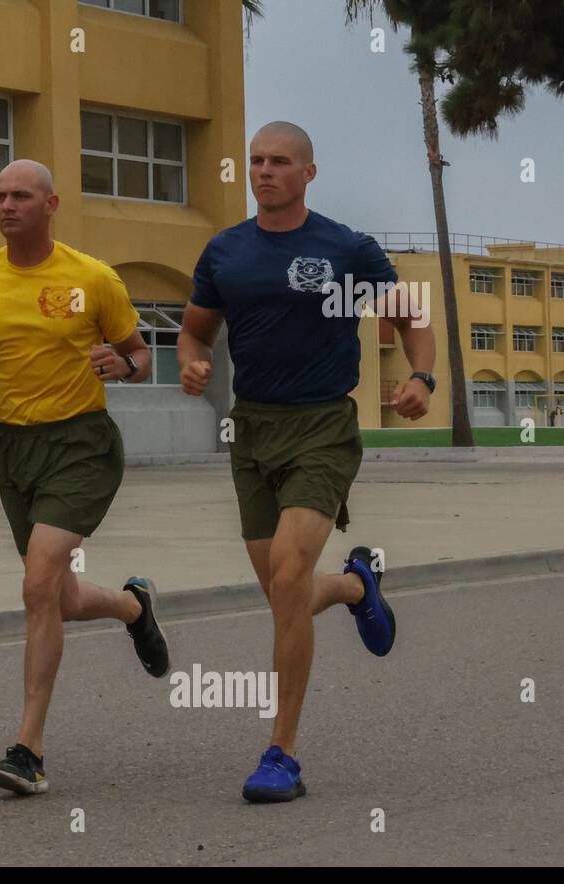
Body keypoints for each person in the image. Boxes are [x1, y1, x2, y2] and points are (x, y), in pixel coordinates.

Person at [177, 122, 436, 802]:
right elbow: (194, 328)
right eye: (257, 161)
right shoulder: (226, 251)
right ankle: (355, 586)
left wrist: (423, 377)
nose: (265, 171)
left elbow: (409, 316)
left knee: (289, 575)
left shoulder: (344, 248)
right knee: (283, 591)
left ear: (309, 173)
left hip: (323, 424)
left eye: (280, 161)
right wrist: (192, 362)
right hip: (252, 429)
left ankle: (280, 752)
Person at [0, 159, 170, 796]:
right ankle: (133, 606)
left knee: (38, 578)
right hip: (13, 446)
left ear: (51, 204)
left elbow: (140, 355)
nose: (6, 205)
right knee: (58, 597)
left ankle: (28, 749)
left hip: (82, 442)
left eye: (20, 196)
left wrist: (120, 365)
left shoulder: (91, 276)